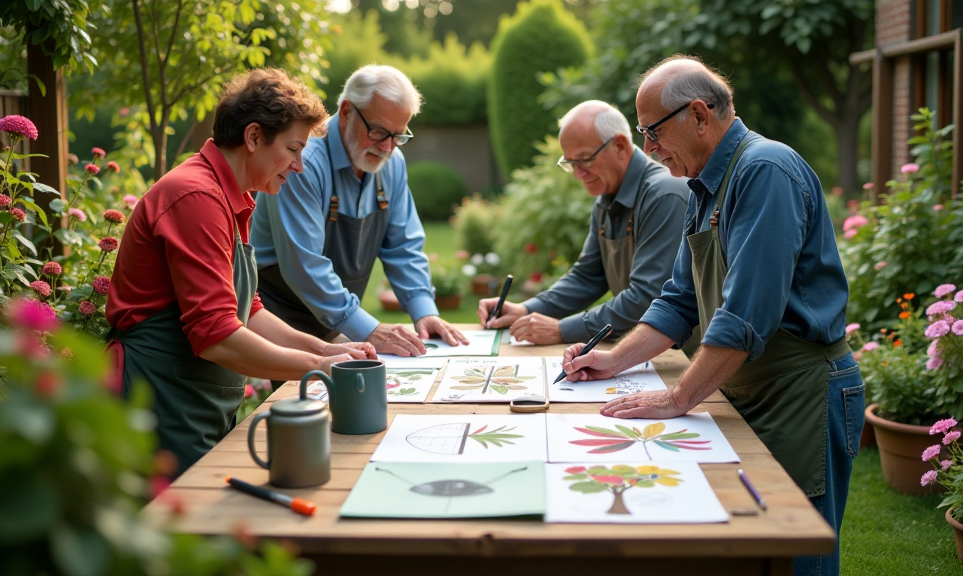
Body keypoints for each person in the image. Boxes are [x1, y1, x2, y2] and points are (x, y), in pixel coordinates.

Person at [561, 56, 863, 576]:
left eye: (653, 132)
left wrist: (679, 396)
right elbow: (678, 300)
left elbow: (745, 314)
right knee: (746, 548)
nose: (649, 149)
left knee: (795, 556)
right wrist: (614, 361)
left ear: (699, 115)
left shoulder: (764, 171)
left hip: (802, 395)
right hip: (749, 389)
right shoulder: (705, 184)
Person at [107, 68, 376, 475]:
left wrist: (326, 350)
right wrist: (317, 368)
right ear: (253, 137)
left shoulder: (232, 196)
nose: (300, 166)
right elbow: (216, 335)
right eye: (293, 149)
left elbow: (247, 310)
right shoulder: (196, 196)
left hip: (191, 401)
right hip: (158, 403)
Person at [250, 65, 468, 359]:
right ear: (345, 112)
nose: (387, 147)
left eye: (398, 136)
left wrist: (424, 310)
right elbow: (304, 266)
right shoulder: (303, 162)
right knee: (310, 401)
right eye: (378, 132)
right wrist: (368, 330)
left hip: (336, 312)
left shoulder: (392, 163)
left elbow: (403, 246)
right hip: (280, 311)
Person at [476, 101, 691, 346]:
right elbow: (587, 276)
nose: (578, 174)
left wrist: (562, 330)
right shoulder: (607, 197)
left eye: (585, 160)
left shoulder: (664, 195)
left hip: (682, 357)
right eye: (570, 164)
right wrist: (526, 310)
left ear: (620, 145)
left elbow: (647, 298)